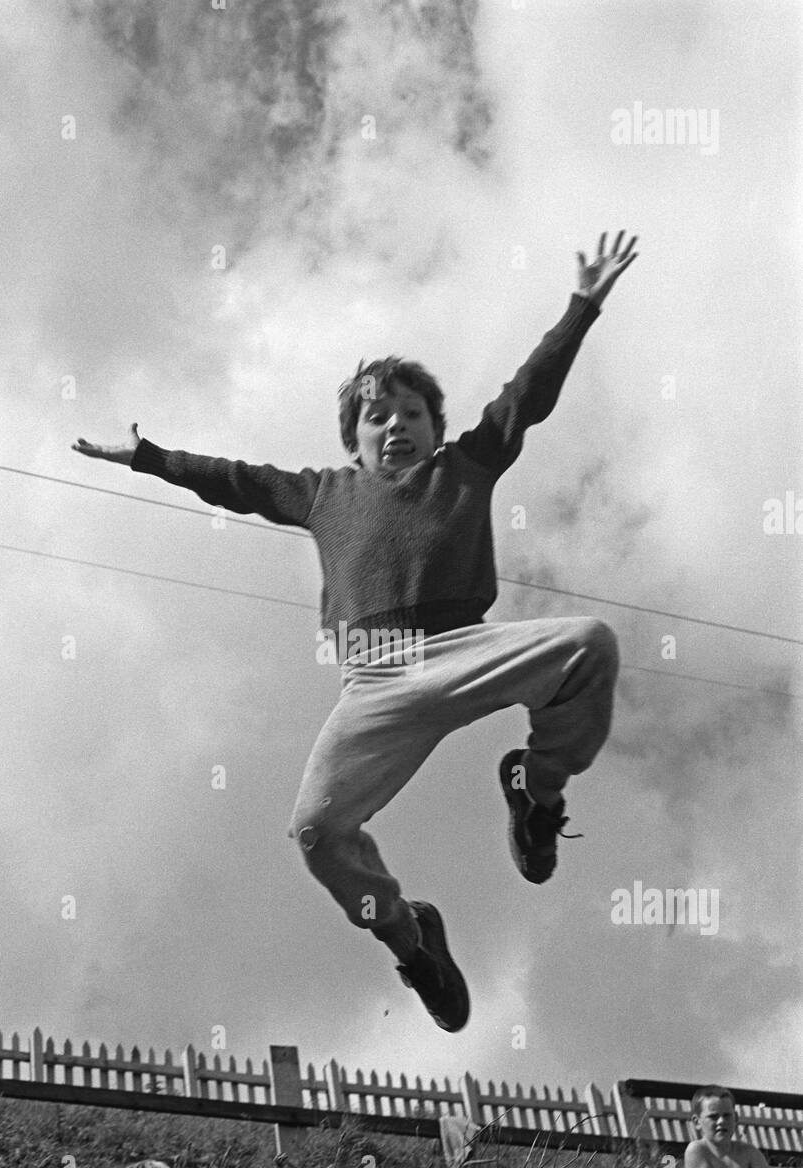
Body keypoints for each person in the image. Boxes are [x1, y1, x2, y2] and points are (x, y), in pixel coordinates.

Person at [72, 231, 637, 1033]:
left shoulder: (466, 465)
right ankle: (413, 942)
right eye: (379, 417)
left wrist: (583, 306)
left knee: (590, 643)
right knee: (314, 831)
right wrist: (149, 455)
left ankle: (536, 796)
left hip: (460, 652)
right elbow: (234, 481)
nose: (397, 426)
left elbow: (526, 394)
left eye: (412, 413)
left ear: (435, 426)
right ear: (354, 438)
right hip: (374, 683)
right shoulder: (323, 493)